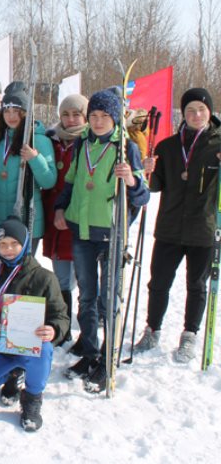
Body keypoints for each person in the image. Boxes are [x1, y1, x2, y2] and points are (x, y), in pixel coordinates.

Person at [54, 88, 149, 392]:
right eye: (93, 115)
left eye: (103, 116)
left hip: (110, 232)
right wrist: (60, 207)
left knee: (109, 298)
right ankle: (90, 349)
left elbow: (143, 195)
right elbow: (71, 182)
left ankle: (109, 355)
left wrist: (132, 179)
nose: (97, 121)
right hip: (82, 230)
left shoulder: (126, 147)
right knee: (87, 295)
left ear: (114, 118)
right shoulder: (83, 144)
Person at [135, 88, 221, 362]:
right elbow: (155, 186)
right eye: (190, 110)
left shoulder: (218, 146)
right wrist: (146, 169)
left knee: (196, 285)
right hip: (170, 227)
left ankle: (189, 335)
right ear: (183, 114)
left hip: (204, 229)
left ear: (210, 112)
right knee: (158, 282)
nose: (196, 115)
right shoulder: (168, 146)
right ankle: (152, 329)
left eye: (201, 109)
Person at [0, 218, 68, 432]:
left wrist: (54, 329)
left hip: (29, 349)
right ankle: (12, 375)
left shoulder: (44, 278)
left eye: (14, 244)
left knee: (44, 349)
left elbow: (61, 316)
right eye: (3, 244)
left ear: (25, 244)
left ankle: (32, 400)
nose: (9, 249)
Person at [0, 86, 56, 251]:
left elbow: (49, 180)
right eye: (7, 111)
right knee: (3, 271)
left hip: (27, 220)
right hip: (1, 219)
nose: (11, 116)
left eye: (17, 111)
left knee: (24, 273)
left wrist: (35, 159)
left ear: (26, 113)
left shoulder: (38, 140)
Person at [42, 94, 89, 347]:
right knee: (60, 277)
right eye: (66, 114)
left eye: (76, 114)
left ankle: (88, 330)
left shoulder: (90, 142)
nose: (70, 120)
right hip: (54, 217)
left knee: (84, 277)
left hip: (79, 219)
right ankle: (64, 327)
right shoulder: (53, 141)